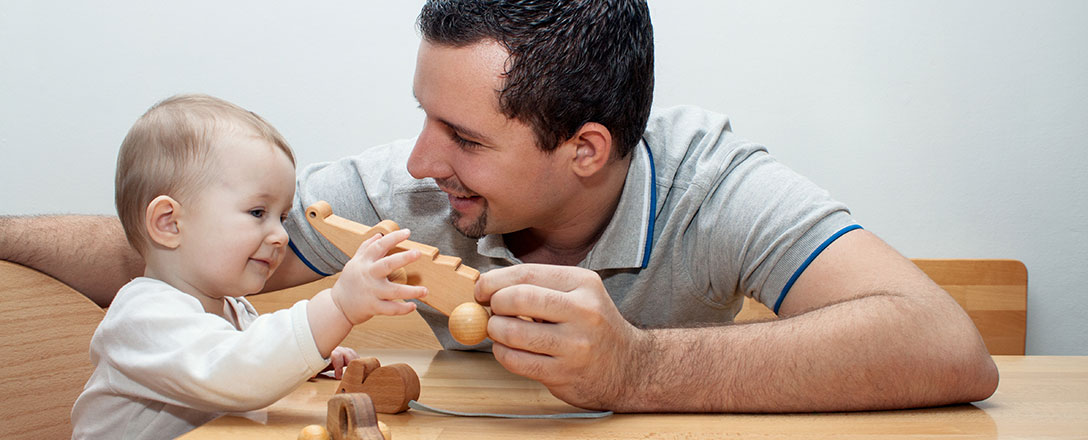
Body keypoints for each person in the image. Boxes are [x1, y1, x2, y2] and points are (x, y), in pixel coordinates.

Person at [1, 1, 997, 414]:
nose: (422, 159)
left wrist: (638, 364)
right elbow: (156, 253)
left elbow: (946, 342)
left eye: (465, 137)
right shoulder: (406, 186)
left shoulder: (712, 182)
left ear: (585, 149)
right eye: (423, 117)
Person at [69, 94, 427, 439]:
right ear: (169, 224)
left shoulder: (233, 309)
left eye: (283, 217)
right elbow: (240, 372)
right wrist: (337, 307)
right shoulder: (142, 318)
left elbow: (257, 356)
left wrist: (312, 358)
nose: (281, 236)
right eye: (258, 212)